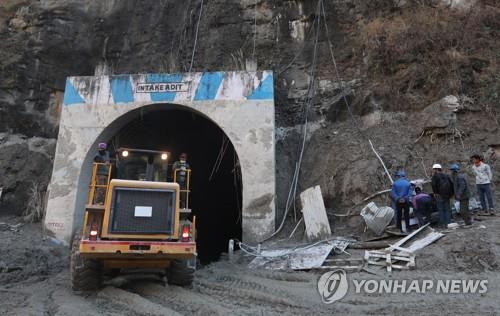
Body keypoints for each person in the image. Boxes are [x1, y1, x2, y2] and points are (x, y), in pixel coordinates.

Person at [431, 163, 454, 228]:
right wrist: (451, 194)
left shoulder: (435, 176)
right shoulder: (446, 175)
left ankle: (442, 224)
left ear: (436, 169)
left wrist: (435, 193)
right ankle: (448, 223)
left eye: (433, 169)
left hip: (439, 195)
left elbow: (433, 185)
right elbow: (451, 184)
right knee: (447, 209)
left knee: (441, 210)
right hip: (447, 195)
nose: (433, 171)